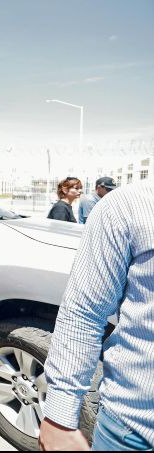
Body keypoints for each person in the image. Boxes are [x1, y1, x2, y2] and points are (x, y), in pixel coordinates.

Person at [39, 178, 154, 451]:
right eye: (75, 188)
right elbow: (84, 312)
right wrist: (60, 416)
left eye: (81, 187)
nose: (80, 192)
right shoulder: (127, 206)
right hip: (134, 431)